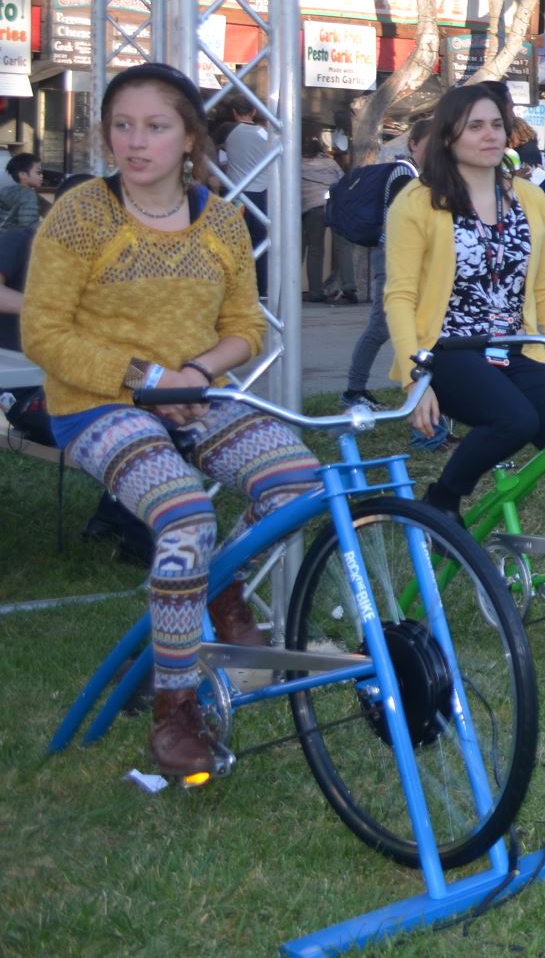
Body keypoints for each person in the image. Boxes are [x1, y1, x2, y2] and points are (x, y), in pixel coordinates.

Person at [22, 63, 322, 776]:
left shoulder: (219, 219)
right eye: (122, 126)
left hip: (191, 392)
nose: (135, 141)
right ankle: (174, 710)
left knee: (299, 481)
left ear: (189, 137)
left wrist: (193, 372)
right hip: (95, 402)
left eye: (155, 126)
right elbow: (43, 332)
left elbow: (246, 328)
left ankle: (218, 587)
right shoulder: (82, 212)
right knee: (185, 514)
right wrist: (148, 379)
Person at [384, 83, 545, 623]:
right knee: (514, 419)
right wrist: (415, 377)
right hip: (448, 350)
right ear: (449, 136)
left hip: (516, 348)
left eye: (497, 125)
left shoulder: (529, 198)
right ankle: (442, 499)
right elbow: (400, 296)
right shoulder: (418, 201)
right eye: (475, 126)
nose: (490, 135)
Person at [0, 172, 158, 563]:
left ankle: (115, 523)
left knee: (161, 404)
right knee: (129, 425)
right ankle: (137, 544)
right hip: (28, 386)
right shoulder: (21, 242)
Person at [340, 119, 447, 451]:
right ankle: (355, 390)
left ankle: (363, 392)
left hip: (404, 259)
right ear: (413, 144)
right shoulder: (405, 175)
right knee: (381, 326)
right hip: (393, 259)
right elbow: (402, 223)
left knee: (401, 329)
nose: (437, 150)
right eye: (430, 143)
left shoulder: (418, 176)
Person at [219, 96, 276, 294]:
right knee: (261, 242)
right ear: (254, 111)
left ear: (234, 112)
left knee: (234, 242)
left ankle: (235, 289)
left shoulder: (227, 131)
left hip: (235, 194)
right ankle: (261, 289)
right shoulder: (266, 134)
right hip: (262, 195)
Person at [299, 136, 345, 303]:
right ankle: (317, 290)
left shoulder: (297, 164)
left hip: (305, 209)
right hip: (328, 207)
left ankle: (296, 288)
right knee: (319, 250)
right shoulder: (330, 163)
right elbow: (342, 180)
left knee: (302, 250)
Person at [0, 152, 42, 232]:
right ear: (23, 174)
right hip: (15, 236)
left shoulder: (6, 190)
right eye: (38, 172)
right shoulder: (28, 195)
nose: (41, 176)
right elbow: (29, 225)